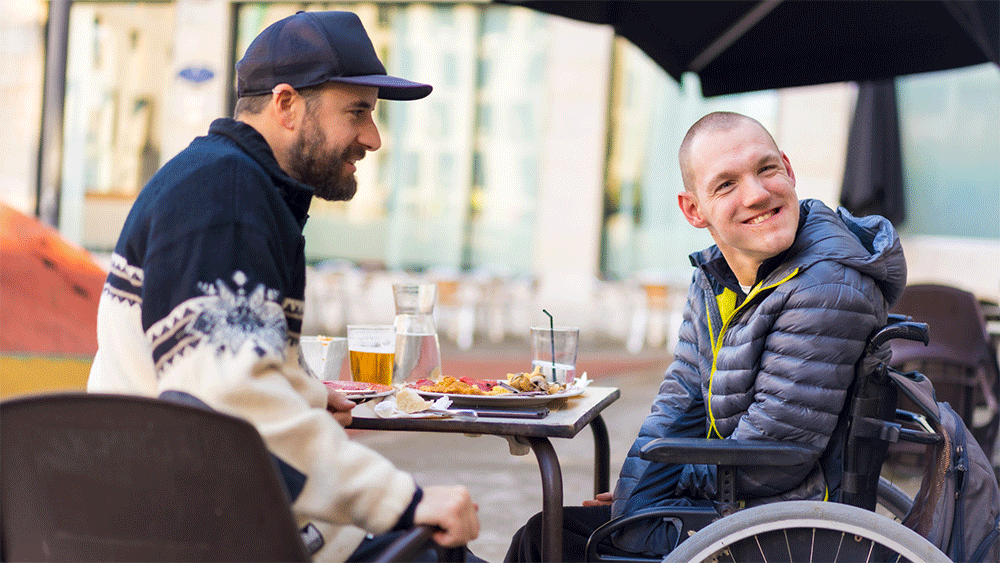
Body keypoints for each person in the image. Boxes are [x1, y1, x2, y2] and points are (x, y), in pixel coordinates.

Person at [87, 11, 481, 562]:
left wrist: (305, 393)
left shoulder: (222, 181)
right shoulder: (224, 198)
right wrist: (405, 499)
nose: (372, 137)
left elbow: (210, 368)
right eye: (358, 112)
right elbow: (227, 396)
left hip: (191, 516)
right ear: (287, 104)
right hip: (207, 533)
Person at [506, 111, 907, 562]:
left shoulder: (827, 285)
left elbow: (771, 456)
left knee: (549, 543)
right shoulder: (718, 276)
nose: (756, 194)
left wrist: (664, 496)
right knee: (546, 534)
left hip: (784, 528)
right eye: (726, 184)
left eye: (766, 169)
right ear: (693, 210)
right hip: (733, 508)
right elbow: (679, 403)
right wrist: (635, 500)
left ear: (789, 171)